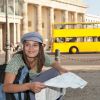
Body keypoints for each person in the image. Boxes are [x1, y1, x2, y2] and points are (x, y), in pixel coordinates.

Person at [3, 32, 68, 100]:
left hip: (35, 85)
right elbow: (6, 87)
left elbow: (54, 63)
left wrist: (61, 69)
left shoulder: (42, 56)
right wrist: (29, 86)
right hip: (21, 89)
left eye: (35, 45)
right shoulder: (17, 60)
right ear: (23, 46)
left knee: (57, 72)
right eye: (27, 45)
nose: (31, 48)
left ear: (40, 47)